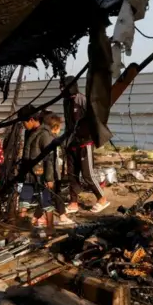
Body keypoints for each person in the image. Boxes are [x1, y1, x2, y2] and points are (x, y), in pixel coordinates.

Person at [61, 76, 109, 214]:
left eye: (63, 86)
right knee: (72, 174)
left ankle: (102, 198)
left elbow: (95, 119)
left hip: (85, 143)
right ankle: (73, 202)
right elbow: (69, 123)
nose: (61, 89)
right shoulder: (66, 102)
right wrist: (65, 141)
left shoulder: (82, 100)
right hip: (71, 142)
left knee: (87, 174)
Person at [30, 113, 75, 229]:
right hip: (49, 175)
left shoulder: (47, 137)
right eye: (59, 127)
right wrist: (50, 178)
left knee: (53, 195)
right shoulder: (48, 139)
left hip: (51, 173)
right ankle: (39, 218)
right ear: (55, 128)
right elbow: (49, 160)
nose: (60, 130)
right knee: (49, 196)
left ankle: (53, 217)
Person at [18, 106, 43, 223]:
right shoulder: (28, 132)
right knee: (27, 187)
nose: (23, 125)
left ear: (32, 120)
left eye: (24, 122)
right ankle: (22, 212)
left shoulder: (43, 132)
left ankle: (40, 216)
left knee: (43, 192)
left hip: (40, 168)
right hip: (28, 166)